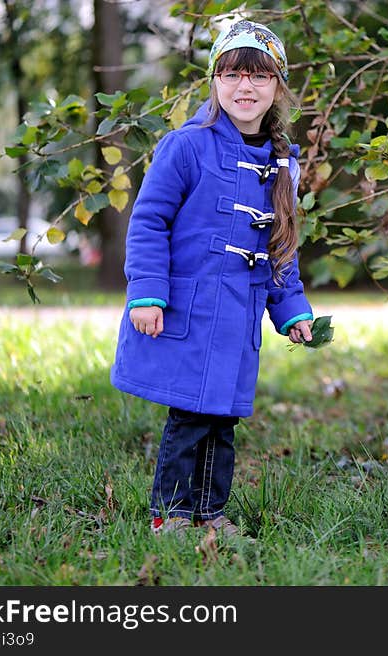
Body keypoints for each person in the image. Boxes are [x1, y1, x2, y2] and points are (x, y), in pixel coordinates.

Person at [110, 19, 314, 537]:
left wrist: (291, 310)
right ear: (215, 81)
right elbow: (149, 220)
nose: (245, 87)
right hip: (190, 310)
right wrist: (147, 293)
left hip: (238, 317)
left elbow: (280, 250)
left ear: (278, 87)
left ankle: (211, 512)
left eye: (259, 77)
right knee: (190, 418)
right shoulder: (186, 147)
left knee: (223, 421)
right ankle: (170, 514)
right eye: (232, 74)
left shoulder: (283, 164)